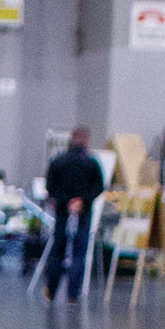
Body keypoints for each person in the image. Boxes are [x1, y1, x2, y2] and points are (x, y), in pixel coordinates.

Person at [42, 128, 106, 301]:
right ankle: (73, 294)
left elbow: (50, 186)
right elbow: (99, 186)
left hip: (62, 211)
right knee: (79, 252)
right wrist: (82, 201)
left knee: (58, 250)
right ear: (86, 141)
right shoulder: (92, 163)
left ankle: (52, 290)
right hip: (84, 213)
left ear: (71, 140)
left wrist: (66, 201)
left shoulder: (58, 161)